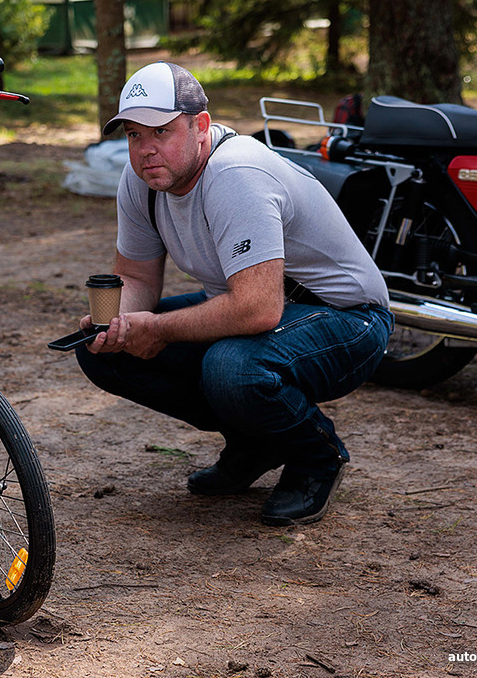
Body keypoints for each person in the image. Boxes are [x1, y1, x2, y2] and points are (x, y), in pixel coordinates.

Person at [76, 62, 393, 526]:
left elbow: (257, 308)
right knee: (105, 353)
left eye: (160, 131)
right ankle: (257, 441)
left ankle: (316, 457)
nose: (145, 150)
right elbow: (137, 279)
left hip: (350, 319)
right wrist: (118, 324)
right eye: (133, 135)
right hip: (268, 310)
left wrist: (159, 329)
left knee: (232, 367)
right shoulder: (142, 182)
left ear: (199, 125)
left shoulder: (235, 173)